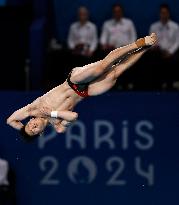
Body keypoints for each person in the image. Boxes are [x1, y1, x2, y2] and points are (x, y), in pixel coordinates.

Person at [7, 33, 157, 141]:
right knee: (116, 73)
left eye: (29, 125)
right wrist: (52, 113)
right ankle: (145, 49)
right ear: (40, 133)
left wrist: (23, 131)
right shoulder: (57, 126)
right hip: (85, 92)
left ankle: (139, 43)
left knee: (102, 67)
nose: (32, 126)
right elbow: (73, 116)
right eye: (34, 131)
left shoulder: (33, 109)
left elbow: (10, 120)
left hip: (73, 82)